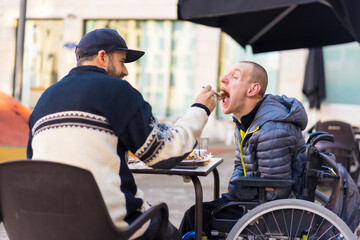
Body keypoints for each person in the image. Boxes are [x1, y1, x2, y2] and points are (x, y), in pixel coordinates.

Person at [27, 28, 216, 240]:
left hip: (48, 224)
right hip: (108, 225)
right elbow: (165, 151)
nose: (126, 71)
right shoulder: (118, 90)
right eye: (122, 61)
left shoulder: (44, 99)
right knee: (169, 232)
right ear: (102, 57)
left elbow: (33, 164)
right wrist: (200, 109)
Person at [179, 61, 308, 237]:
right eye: (226, 75)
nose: (223, 79)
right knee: (195, 214)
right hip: (252, 200)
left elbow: (276, 191)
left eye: (234, 76)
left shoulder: (272, 129)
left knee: (196, 216)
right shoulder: (244, 122)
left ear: (252, 89)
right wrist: (237, 187)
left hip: (269, 211)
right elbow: (240, 166)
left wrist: (236, 188)